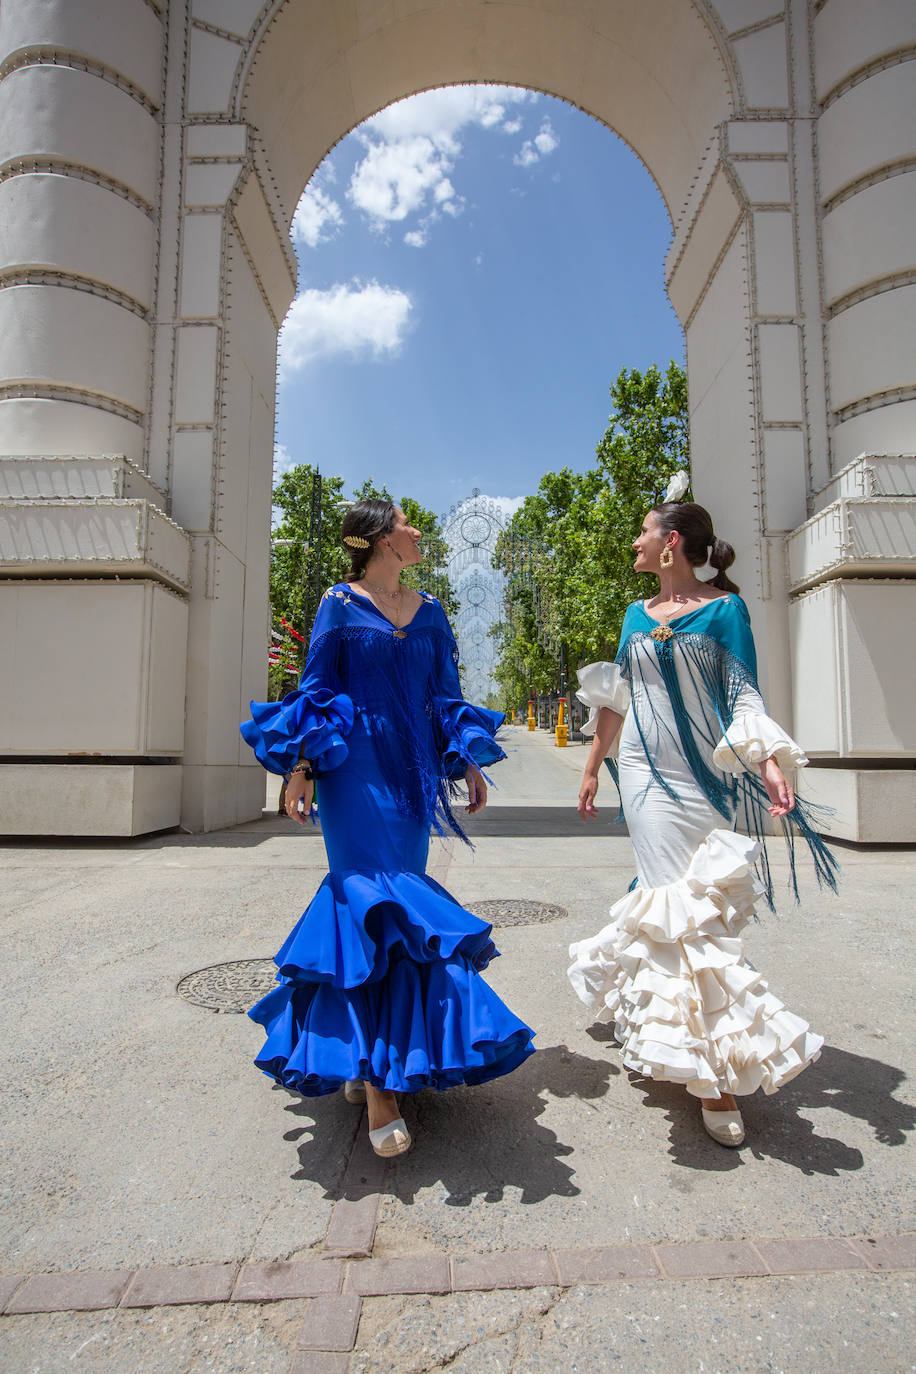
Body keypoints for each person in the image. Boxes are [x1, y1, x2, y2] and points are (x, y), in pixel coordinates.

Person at [240, 499, 535, 1158]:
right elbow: (316, 688)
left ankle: (377, 1056)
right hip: (353, 772)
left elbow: (444, 694)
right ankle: (379, 1086)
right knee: (370, 904)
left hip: (412, 772)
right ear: (375, 537)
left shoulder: (430, 611)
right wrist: (300, 770)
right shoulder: (337, 604)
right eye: (407, 521)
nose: (418, 529)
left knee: (404, 910)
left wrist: (465, 763)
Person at [567, 482, 836, 1147]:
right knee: (676, 911)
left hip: (702, 781)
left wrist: (771, 761)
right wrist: (592, 764)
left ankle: (653, 1015)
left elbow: (744, 695)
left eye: (644, 532)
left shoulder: (725, 612)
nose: (635, 541)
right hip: (645, 778)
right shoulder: (635, 615)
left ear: (672, 544)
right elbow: (617, 698)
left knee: (696, 911)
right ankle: (712, 1079)